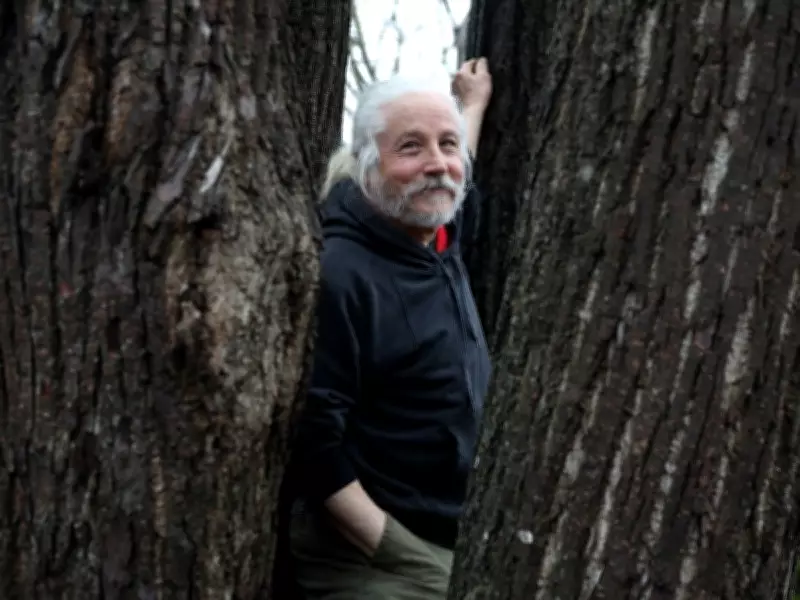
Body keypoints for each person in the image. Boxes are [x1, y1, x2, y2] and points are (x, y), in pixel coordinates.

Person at [288, 58, 493, 600]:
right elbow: (313, 442)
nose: (437, 165)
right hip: (371, 555)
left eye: (447, 144)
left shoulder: (431, 235)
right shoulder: (341, 273)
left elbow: (452, 174)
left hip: (449, 537)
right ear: (367, 163)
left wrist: (471, 106)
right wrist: (392, 552)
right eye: (409, 147)